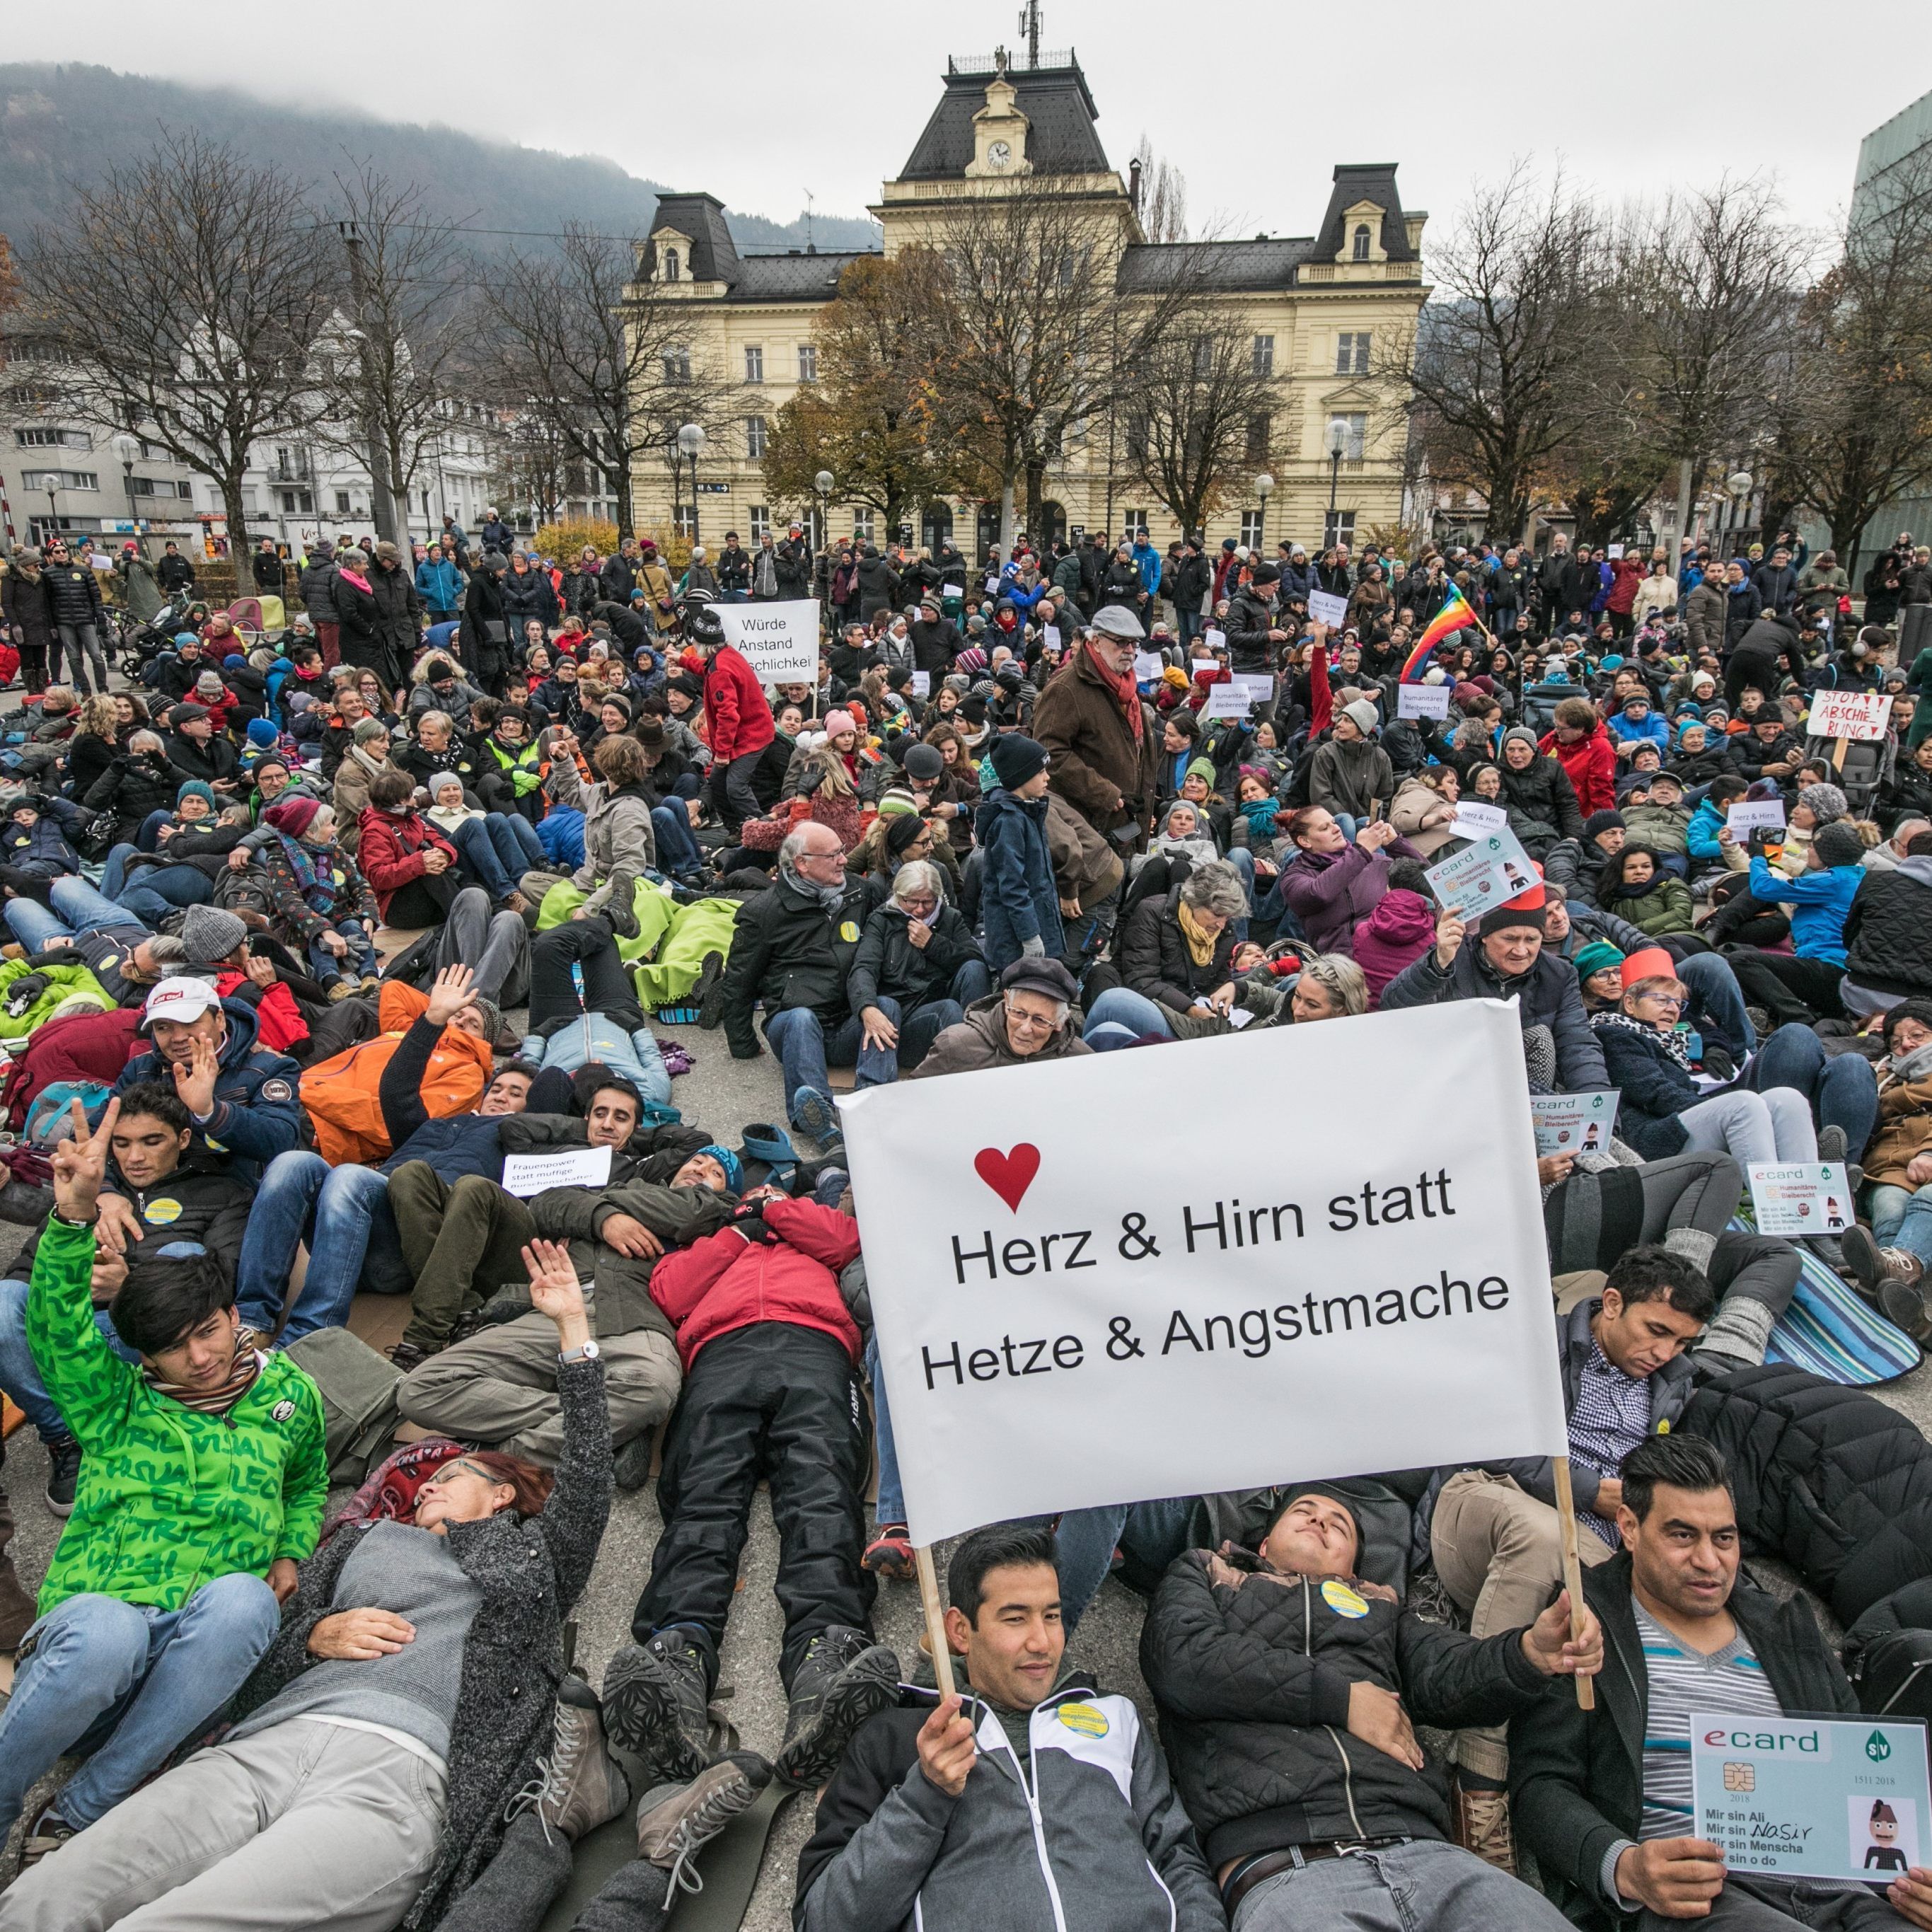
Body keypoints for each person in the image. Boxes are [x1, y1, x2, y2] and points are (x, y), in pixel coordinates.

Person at [7, 1237, 622, 1932]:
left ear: (503, 1494)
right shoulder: (364, 1538)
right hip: (263, 1746)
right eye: (424, 1482)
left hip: (397, 1773)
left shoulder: (539, 1559)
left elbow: (587, 1475)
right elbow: (248, 1660)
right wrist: (313, 1636)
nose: (428, 1487)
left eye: (451, 1476)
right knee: (46, 1896)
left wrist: (573, 1327)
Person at [0, 1096, 325, 1861]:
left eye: (210, 1330)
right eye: (176, 1348)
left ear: (232, 1315)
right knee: (109, 1630)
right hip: (85, 1666)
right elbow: (52, 1327)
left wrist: (290, 1548)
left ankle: (82, 1808)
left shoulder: (290, 1393)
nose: (202, 1357)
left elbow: (307, 1479)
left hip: (191, 1674)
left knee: (247, 1599)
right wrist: (73, 1218)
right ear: (145, 1356)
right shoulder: (113, 1402)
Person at [1510, 1433, 1932, 1932]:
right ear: (1629, 1527)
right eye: (1682, 1536)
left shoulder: (1790, 1630)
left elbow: (1864, 1778)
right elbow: (1540, 1785)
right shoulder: (1586, 1626)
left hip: (1843, 1892)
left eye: (1724, 1539)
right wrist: (1624, 1865)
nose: (1709, 1560)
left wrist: (1918, 1879)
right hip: (1701, 1896)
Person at [1141, 1488, 1602, 1932]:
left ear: (1351, 1567)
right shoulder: (1206, 1570)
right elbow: (1182, 1661)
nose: (1319, 1519)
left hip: (1429, 1854)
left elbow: (1447, 1671)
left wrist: (1527, 1653)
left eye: (1339, 1524)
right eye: (1303, 1510)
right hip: (1284, 1863)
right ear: (1262, 1543)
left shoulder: (1380, 1609)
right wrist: (1341, 1698)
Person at [600, 1189, 901, 1793]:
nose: (760, 1200)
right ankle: (676, 1657)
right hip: (720, 1351)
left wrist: (778, 1208)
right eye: (751, 1195)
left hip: (815, 1345)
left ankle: (826, 1658)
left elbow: (847, 1241)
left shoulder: (811, 1228)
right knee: (701, 1497)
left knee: (821, 1490)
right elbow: (670, 1292)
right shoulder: (711, 1239)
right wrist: (738, 1230)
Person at [797, 1521, 1222, 1932]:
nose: (1041, 1641)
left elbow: (1179, 1859)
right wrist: (924, 1795)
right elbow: (825, 1920)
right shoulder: (894, 1737)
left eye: (1052, 1616)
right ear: (960, 1630)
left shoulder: (1117, 1717)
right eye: (1015, 1619)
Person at [237, 966, 530, 1341]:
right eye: (499, 1088)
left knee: (349, 1176)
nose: (502, 1095)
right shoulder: (440, 1123)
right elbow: (397, 1090)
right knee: (291, 1164)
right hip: (346, 1227)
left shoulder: (516, 1135)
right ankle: (253, 1319)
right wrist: (435, 1017)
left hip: (402, 1241)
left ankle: (311, 1333)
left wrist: (307, 1094)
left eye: (516, 1093)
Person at [717, 823, 874, 1145]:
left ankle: (873, 1104)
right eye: (833, 855)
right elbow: (739, 980)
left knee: (884, 1007)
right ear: (802, 863)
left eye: (843, 851)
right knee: (802, 1018)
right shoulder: (763, 912)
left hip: (847, 1020)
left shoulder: (859, 892)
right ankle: (820, 1122)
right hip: (795, 1026)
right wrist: (743, 1043)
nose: (844, 860)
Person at [1383, 881, 1612, 1093]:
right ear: (1485, 936)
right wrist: (1437, 965)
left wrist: (1596, 1106)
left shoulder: (1560, 974)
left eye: (1531, 940)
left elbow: (1578, 1046)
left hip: (1525, 1091)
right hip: (1453, 1077)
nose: (1521, 951)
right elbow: (1395, 1010)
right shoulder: (1452, 957)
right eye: (1510, 939)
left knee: (1540, 1038)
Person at [113, 973, 303, 1185]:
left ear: (220, 1019)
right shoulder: (142, 1069)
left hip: (243, 1193)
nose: (178, 1037)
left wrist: (210, 1112)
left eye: (190, 1022)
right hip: (159, 1194)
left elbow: (282, 1142)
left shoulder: (269, 1066)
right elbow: (100, 1135)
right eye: (163, 1027)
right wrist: (106, 1190)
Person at [847, 860, 989, 1080]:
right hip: (902, 1016)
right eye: (912, 901)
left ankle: (980, 1051)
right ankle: (967, 1072)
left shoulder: (950, 918)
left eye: (928, 902)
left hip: (940, 999)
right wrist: (867, 1007)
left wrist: (933, 944)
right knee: (948, 1009)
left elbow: (975, 960)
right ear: (899, 895)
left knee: (974, 969)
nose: (920, 909)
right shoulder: (881, 920)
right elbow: (864, 967)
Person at [910, 955, 1093, 1080]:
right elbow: (914, 1104)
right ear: (1006, 1002)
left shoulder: (1080, 1060)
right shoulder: (957, 1045)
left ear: (1060, 1022)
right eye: (1019, 1013)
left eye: (1040, 1020)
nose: (1025, 1028)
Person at [690, 602, 774, 833]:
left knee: (736, 788)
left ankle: (763, 833)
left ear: (701, 643)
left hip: (750, 735)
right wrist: (681, 660)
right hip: (752, 730)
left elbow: (728, 715)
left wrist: (722, 752)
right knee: (717, 783)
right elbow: (705, 667)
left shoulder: (720, 671)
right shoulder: (726, 656)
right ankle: (737, 831)